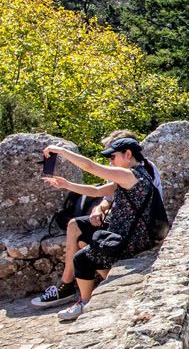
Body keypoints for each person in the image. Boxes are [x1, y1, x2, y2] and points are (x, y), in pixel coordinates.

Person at [32, 129, 158, 310]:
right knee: (85, 244)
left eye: (112, 157)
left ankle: (84, 303)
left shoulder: (129, 175)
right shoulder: (137, 173)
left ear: (128, 155)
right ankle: (101, 292)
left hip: (130, 239)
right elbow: (97, 191)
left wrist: (61, 151)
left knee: (82, 258)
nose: (110, 162)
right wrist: (66, 184)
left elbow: (90, 167)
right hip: (131, 235)